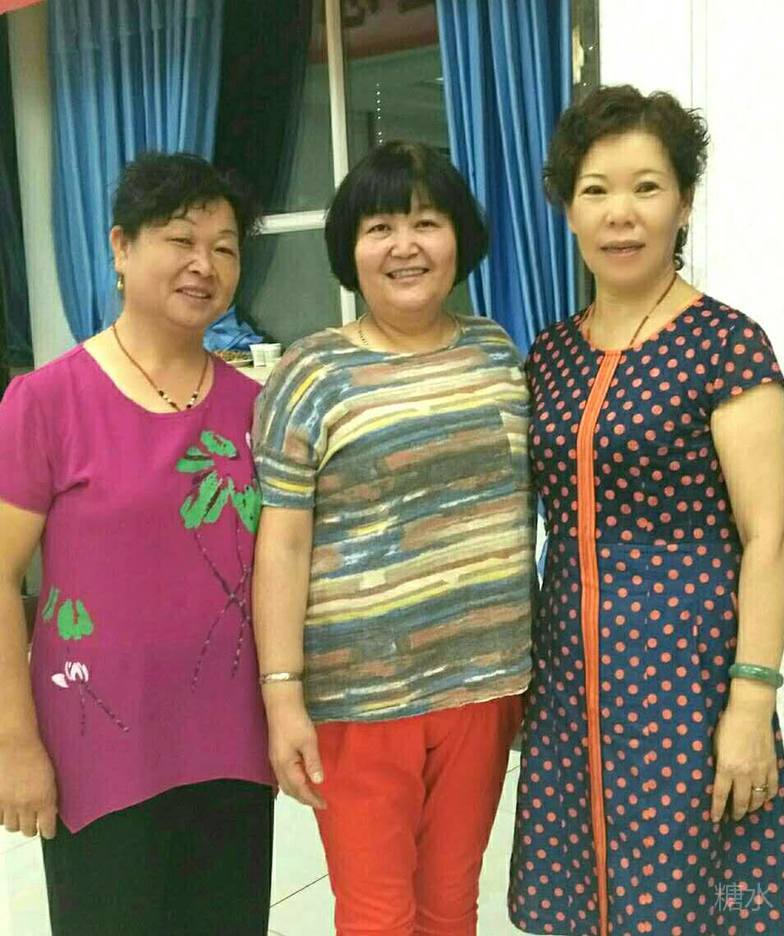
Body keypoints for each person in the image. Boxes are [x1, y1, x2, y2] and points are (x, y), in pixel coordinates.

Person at [509, 85, 784, 935]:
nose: (620, 214)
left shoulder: (727, 344)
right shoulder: (550, 354)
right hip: (569, 681)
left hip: (689, 680)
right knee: (581, 899)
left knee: (699, 898)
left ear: (684, 202)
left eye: (646, 187)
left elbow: (771, 536)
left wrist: (751, 701)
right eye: (595, 190)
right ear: (568, 208)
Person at [251, 140, 534, 935]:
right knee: (378, 915)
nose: (405, 245)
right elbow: (282, 547)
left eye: (426, 222)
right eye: (379, 227)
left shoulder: (496, 352)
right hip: (360, 699)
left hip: (484, 684)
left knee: (451, 904)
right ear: (350, 248)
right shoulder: (310, 373)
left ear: (460, 239)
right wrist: (282, 696)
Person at [0, 152, 274, 935]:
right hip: (98, 752)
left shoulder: (257, 408)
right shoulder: (46, 402)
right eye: (181, 240)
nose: (204, 264)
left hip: (232, 747)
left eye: (225, 247)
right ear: (121, 247)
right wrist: (14, 743)